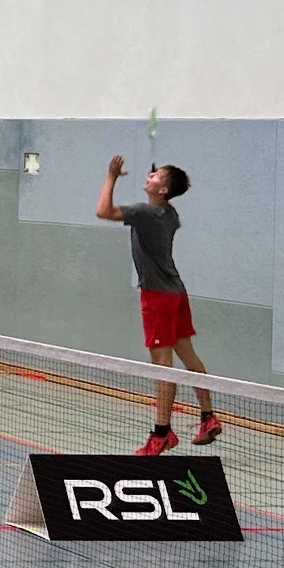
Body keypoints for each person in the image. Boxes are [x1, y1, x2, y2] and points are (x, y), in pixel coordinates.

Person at [95, 154, 219, 455]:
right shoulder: (170, 214)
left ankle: (162, 433)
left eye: (156, 176)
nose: (149, 176)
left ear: (163, 190)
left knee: (163, 365)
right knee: (188, 355)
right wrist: (158, 181)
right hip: (176, 292)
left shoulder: (146, 213)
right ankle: (208, 417)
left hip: (158, 296)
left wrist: (111, 176)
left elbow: (103, 211)